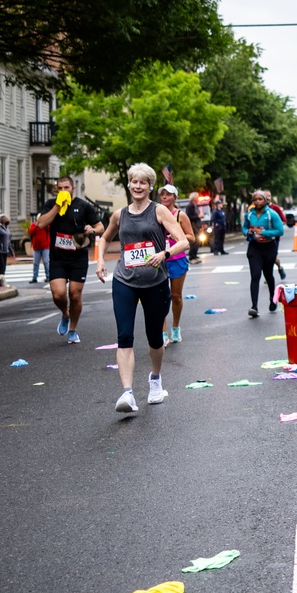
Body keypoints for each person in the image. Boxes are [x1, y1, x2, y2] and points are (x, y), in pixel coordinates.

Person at [95, 163, 189, 413]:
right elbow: (104, 238)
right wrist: (101, 259)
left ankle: (155, 380)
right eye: (134, 182)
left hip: (155, 282)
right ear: (129, 184)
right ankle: (127, 393)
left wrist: (164, 253)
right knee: (124, 337)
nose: (138, 186)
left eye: (143, 183)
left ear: (150, 186)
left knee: (155, 337)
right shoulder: (119, 215)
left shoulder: (159, 212)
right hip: (124, 280)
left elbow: (183, 242)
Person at [36, 174, 104, 344]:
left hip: (78, 257)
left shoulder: (83, 206)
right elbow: (41, 224)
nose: (63, 191)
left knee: (74, 295)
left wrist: (92, 230)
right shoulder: (51, 205)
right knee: (58, 294)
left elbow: (100, 226)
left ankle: (73, 329)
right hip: (58, 257)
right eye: (60, 188)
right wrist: (58, 206)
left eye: (66, 188)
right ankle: (65, 314)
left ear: (73, 188)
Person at [157, 184, 195, 344]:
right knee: (160, 298)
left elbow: (191, 237)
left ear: (175, 197)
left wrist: (176, 236)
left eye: (168, 194)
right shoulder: (155, 213)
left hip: (177, 260)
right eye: (163, 194)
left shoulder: (180, 215)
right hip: (159, 260)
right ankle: (163, 333)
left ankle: (176, 328)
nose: (165, 197)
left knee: (176, 297)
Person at [242, 191, 284, 318]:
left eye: (260, 199)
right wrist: (248, 232)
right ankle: (254, 306)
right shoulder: (249, 214)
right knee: (255, 275)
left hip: (269, 247)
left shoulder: (272, 214)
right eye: (255, 199)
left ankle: (273, 299)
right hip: (254, 247)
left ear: (265, 201)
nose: (258, 201)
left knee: (268, 275)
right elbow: (244, 228)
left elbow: (280, 231)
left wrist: (264, 233)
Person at [262, 190, 288, 280]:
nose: (267, 197)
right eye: (265, 196)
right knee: (265, 257)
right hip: (262, 237)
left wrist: (275, 224)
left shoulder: (275, 208)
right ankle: (269, 275)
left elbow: (284, 220)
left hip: (274, 237)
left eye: (269, 195)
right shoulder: (259, 209)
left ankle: (279, 268)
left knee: (271, 256)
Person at [29, 214, 51, 283]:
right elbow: (31, 231)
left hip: (45, 246)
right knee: (36, 263)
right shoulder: (34, 225)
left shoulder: (46, 225)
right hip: (37, 247)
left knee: (46, 262)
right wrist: (36, 225)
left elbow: (49, 229)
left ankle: (48, 276)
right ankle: (35, 277)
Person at [184, 193, 202, 263]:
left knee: (197, 241)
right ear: (194, 198)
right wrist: (198, 217)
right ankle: (192, 257)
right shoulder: (190, 206)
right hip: (193, 226)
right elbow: (189, 217)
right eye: (197, 197)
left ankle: (195, 255)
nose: (198, 198)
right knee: (193, 242)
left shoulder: (195, 205)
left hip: (196, 226)